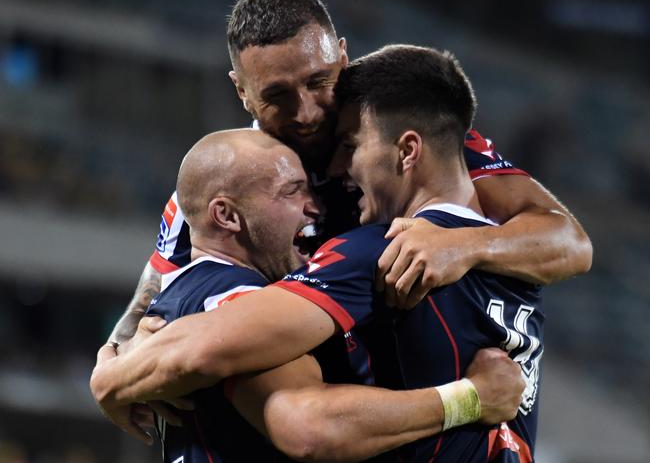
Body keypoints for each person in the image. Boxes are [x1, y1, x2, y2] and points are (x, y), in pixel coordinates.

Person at [91, 45, 545, 462]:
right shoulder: (520, 262)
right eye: (293, 190)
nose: (335, 173)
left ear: (408, 151)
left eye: (350, 145)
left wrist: (115, 374)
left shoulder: (383, 252)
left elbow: (220, 360)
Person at [101, 0, 591, 349]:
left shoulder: (402, 129)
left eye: (319, 81)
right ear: (240, 91)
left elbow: (568, 242)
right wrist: (117, 354)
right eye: (277, 95)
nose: (308, 111)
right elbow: (157, 283)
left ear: (342, 56)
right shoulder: (222, 182)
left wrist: (465, 244)